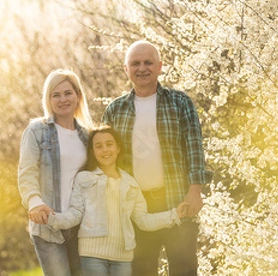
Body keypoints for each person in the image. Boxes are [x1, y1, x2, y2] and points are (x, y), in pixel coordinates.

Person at [102, 40, 212, 276]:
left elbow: (194, 148)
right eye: (135, 63)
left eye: (148, 62)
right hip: (135, 207)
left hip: (177, 200)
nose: (142, 68)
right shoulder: (115, 109)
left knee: (184, 269)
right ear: (126, 69)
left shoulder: (180, 102)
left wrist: (195, 190)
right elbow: (106, 159)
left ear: (160, 66)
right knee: (141, 271)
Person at [46, 126, 188, 276]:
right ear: (92, 152)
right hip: (92, 255)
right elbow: (75, 213)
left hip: (123, 258)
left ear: (118, 147)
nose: (105, 150)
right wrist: (51, 217)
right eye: (98, 146)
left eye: (109, 144)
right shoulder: (84, 178)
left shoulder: (131, 183)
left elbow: (143, 220)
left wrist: (174, 215)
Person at [18, 68, 94, 276]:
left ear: (78, 96)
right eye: (56, 95)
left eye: (68, 93)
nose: (63, 99)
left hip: (81, 226)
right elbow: (27, 171)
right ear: (48, 100)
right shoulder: (36, 131)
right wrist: (34, 202)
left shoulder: (88, 136)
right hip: (48, 226)